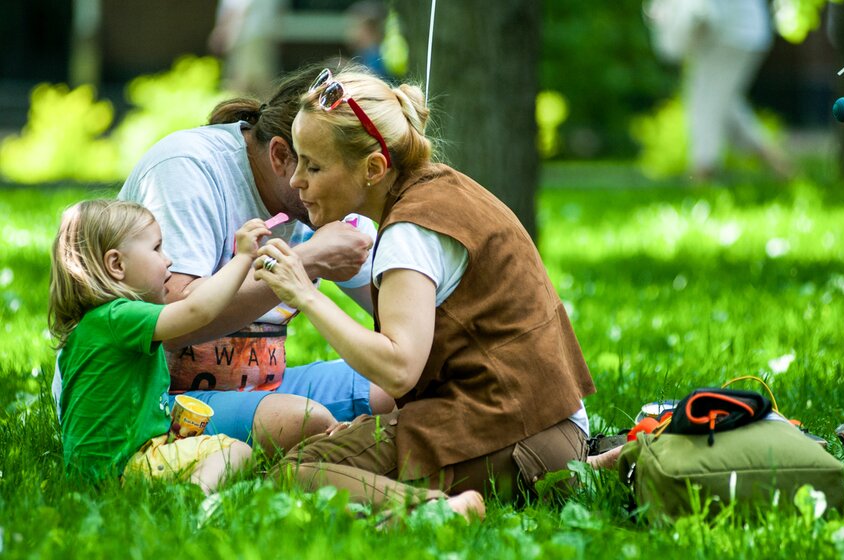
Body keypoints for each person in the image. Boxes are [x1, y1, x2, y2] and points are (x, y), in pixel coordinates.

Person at [255, 66, 596, 515]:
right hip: (542, 424)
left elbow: (398, 368)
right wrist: (387, 425)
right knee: (330, 451)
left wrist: (306, 295)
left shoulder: (409, 234)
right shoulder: (442, 189)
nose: (297, 180)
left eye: (314, 165)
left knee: (296, 472)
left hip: (523, 441)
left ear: (374, 168)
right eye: (297, 160)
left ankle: (436, 512)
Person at [113, 65, 396, 456]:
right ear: (282, 156)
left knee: (409, 386)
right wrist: (307, 262)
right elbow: (171, 318)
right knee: (306, 421)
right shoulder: (187, 169)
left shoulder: (319, 198)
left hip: (263, 388)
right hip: (155, 399)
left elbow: (396, 310)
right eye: (324, 167)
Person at [49, 199, 273, 494]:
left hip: (97, 471)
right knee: (237, 452)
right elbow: (197, 311)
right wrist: (243, 258)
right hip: (123, 468)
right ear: (116, 264)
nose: (167, 260)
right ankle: (192, 497)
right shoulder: (120, 317)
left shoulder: (96, 324)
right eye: (157, 249)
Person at [679, 0, 791, 181]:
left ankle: (703, 174)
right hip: (736, 31)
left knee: (706, 103)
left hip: (732, 33)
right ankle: (781, 166)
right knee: (725, 106)